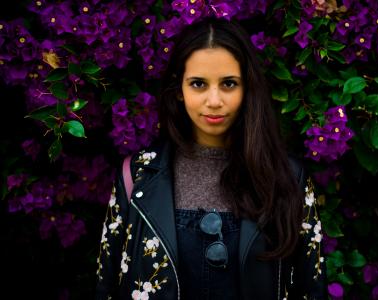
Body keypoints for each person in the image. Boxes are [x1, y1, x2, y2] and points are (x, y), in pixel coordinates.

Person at [95, 17, 326, 300]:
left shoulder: (288, 177)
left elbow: (311, 290)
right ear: (178, 90)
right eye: (198, 84)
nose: (214, 100)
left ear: (247, 88)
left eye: (229, 83)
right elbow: (106, 288)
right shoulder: (136, 177)